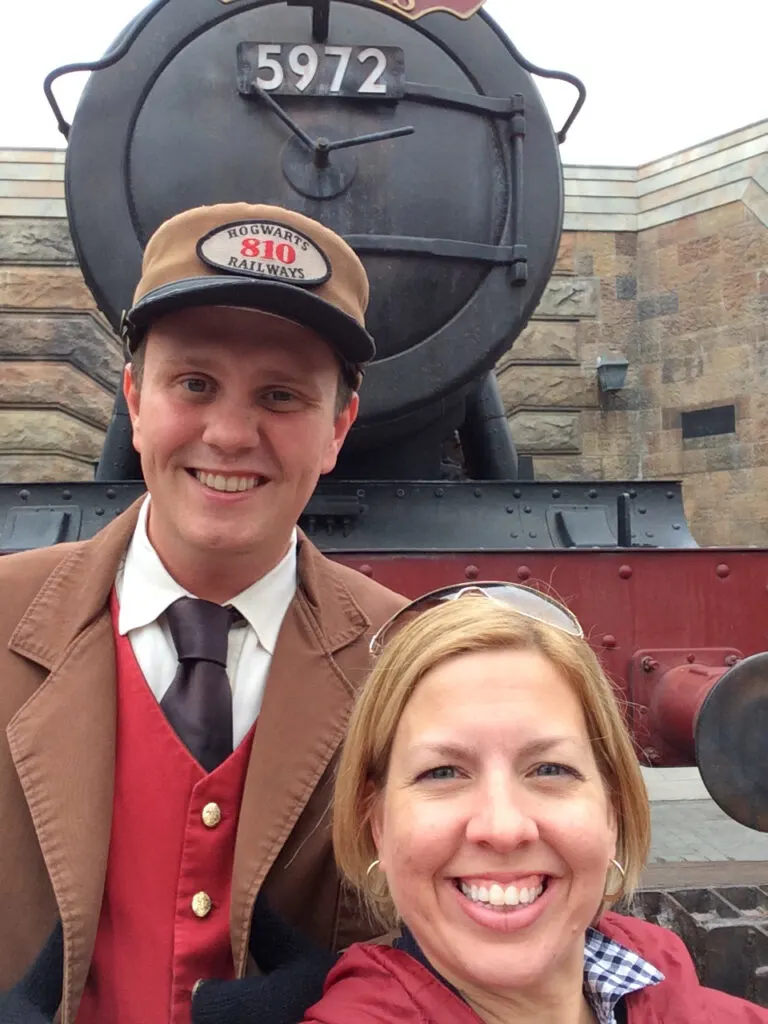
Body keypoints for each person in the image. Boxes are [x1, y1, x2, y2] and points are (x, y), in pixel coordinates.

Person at [0, 201, 406, 1023]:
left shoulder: (408, 659)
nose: (228, 433)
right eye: (194, 383)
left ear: (338, 429)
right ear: (134, 399)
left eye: (282, 396)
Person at [302, 584, 768, 1023]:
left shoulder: (679, 996)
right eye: (442, 772)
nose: (504, 828)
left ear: (613, 809)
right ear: (376, 823)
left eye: (550, 769)